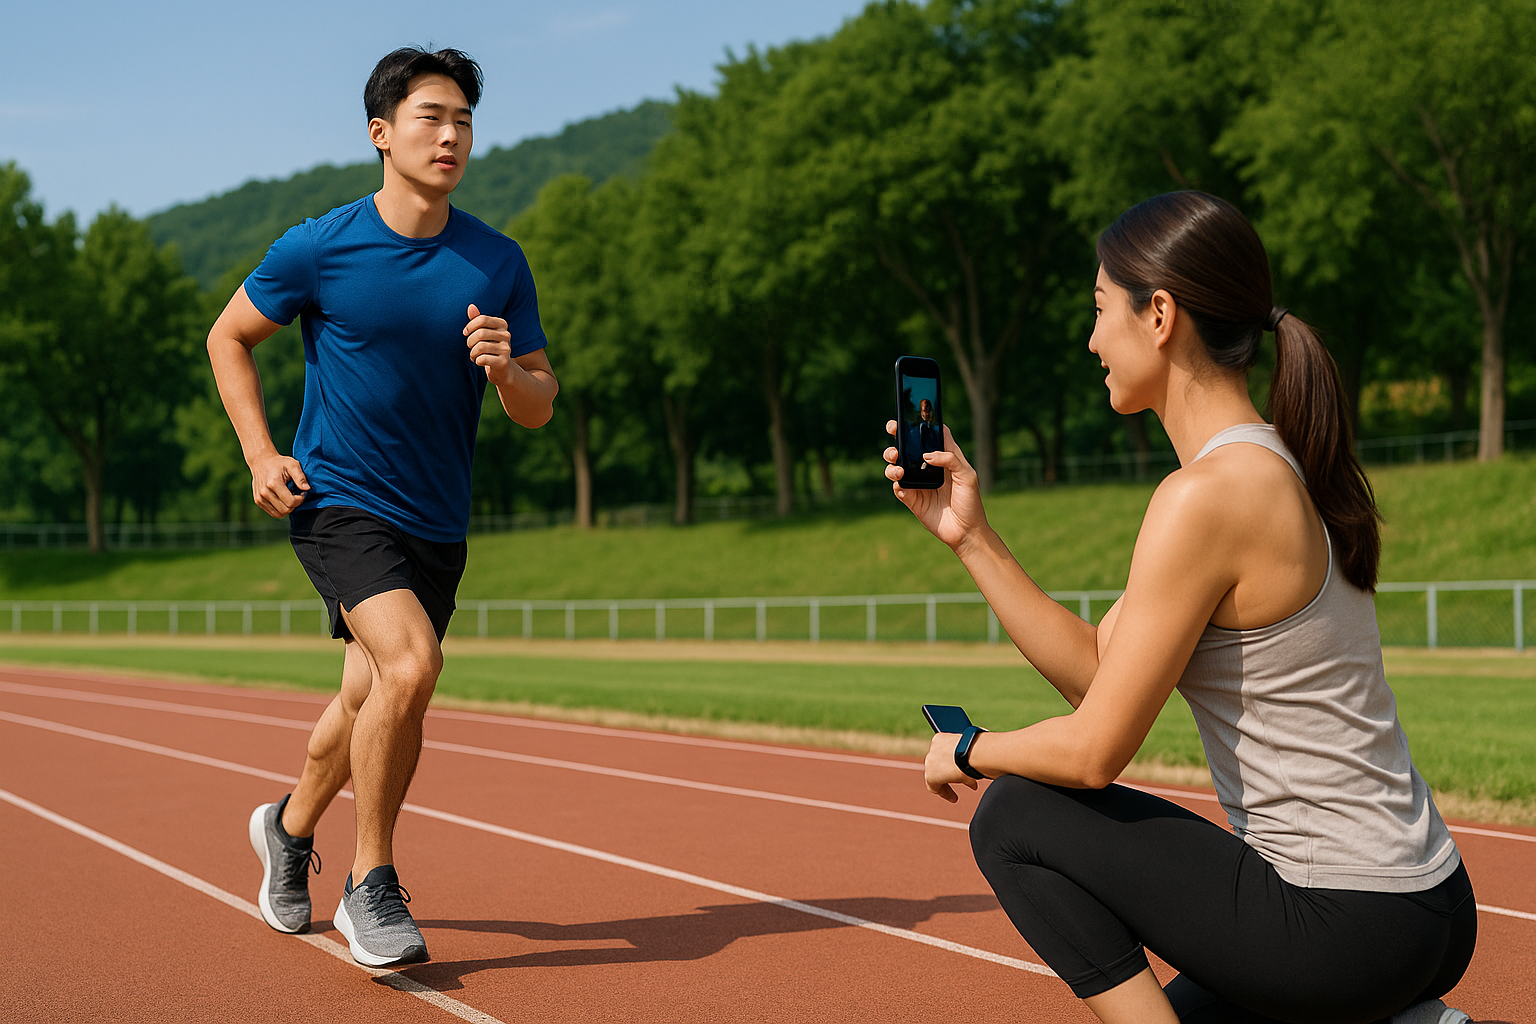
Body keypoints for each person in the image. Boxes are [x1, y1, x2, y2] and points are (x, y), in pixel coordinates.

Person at [883, 192, 1475, 1024]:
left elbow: (1095, 754)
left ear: (1158, 314)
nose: (1091, 339)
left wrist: (972, 750)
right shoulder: (1270, 463)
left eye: (1099, 311)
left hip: (1346, 919)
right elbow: (1097, 672)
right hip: (1424, 902)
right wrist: (971, 538)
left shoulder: (1206, 497)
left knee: (1014, 811)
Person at [207, 46, 557, 967]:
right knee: (411, 667)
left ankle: (286, 830)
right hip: (339, 502)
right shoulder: (321, 245)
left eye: (465, 122)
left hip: (437, 520)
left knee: (368, 690)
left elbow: (538, 406)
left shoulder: (496, 259)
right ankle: (372, 884)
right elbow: (228, 336)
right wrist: (259, 452)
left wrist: (507, 366)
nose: (451, 136)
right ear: (381, 133)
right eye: (432, 117)